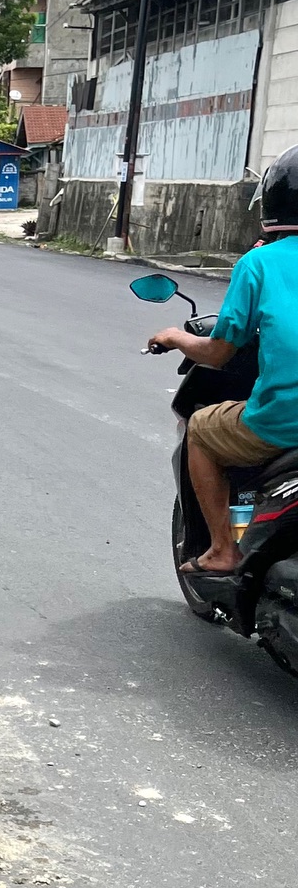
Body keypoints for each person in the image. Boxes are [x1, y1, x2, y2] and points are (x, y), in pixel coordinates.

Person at [149, 144, 298, 574]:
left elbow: (219, 350)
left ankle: (222, 549)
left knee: (200, 428)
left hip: (283, 422)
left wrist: (176, 337)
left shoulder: (259, 263)